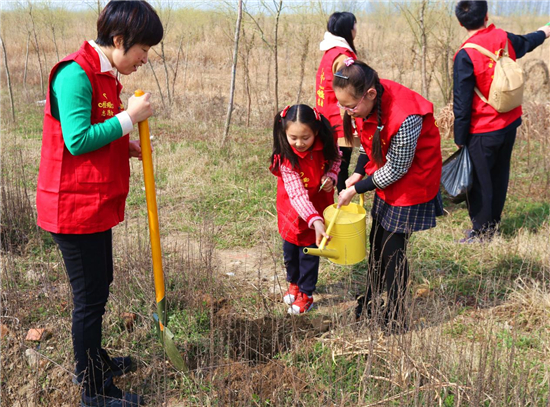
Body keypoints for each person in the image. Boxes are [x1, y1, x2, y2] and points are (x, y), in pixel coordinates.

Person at [35, 1, 163, 406]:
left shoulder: (107, 74)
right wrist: (128, 119)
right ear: (120, 40)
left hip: (93, 204)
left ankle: (95, 358)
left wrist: (123, 145)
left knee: (99, 286)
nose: (145, 59)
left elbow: (94, 131)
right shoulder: (75, 74)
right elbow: (76, 140)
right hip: (71, 209)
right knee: (89, 299)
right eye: (142, 49)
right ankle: (93, 389)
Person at [333, 59, 442, 331]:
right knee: (377, 243)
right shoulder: (366, 104)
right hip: (384, 178)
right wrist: (358, 172)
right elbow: (368, 142)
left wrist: (356, 189)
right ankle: (369, 298)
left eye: (350, 107)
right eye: (342, 106)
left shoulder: (406, 115)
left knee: (394, 251)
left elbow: (397, 169)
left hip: (411, 183)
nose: (347, 113)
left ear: (370, 94)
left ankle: (395, 315)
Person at [453, 1, 550, 243]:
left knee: (480, 183)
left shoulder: (465, 54)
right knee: (499, 176)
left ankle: (482, 233)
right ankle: (493, 225)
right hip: (510, 123)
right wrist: (547, 29)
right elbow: (528, 41)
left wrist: (459, 139)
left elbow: (462, 105)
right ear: (486, 15)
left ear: (460, 22)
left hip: (483, 131)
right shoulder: (503, 38)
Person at [270, 105, 341, 314]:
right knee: (290, 251)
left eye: (305, 137)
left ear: (316, 132)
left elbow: (336, 161)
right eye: (293, 138)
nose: (299, 143)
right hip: (293, 211)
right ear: (284, 133)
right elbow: (297, 194)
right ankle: (293, 283)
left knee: (309, 253)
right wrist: (315, 220)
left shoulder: (327, 145)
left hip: (318, 206)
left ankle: (307, 293)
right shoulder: (285, 157)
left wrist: (331, 176)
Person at [315, 11, 360, 193]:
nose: (357, 29)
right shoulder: (343, 57)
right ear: (348, 29)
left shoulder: (330, 52)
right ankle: (342, 201)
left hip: (326, 115)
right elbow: (350, 90)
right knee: (341, 166)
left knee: (335, 164)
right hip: (339, 119)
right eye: (355, 25)